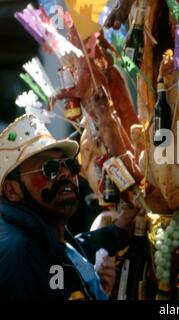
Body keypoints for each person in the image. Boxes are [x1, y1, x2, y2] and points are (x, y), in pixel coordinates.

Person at [0, 114, 137, 300]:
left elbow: (65, 253)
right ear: (12, 191)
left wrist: (117, 233)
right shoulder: (18, 255)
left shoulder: (45, 237)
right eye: (49, 168)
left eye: (70, 164)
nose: (65, 173)